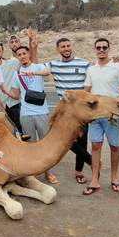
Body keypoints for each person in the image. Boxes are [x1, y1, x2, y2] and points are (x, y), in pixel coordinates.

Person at [0, 46, 58, 184]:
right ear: (17, 57)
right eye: (19, 54)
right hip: (25, 113)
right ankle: (34, 172)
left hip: (41, 111)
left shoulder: (38, 67)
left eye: (24, 53)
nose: (22, 56)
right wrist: (4, 91)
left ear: (29, 54)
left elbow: (47, 72)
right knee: (30, 145)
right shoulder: (17, 74)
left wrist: (34, 73)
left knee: (45, 143)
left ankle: (49, 172)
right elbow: (16, 95)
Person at [83, 38, 119, 195]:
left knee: (114, 146)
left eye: (104, 47)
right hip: (96, 115)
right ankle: (94, 180)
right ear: (95, 50)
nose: (101, 50)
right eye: (98, 48)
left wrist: (116, 109)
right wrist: (88, 111)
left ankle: (114, 178)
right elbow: (86, 92)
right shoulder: (91, 69)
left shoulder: (118, 67)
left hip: (113, 115)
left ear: (109, 49)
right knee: (95, 146)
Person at [45, 38, 92, 184]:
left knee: (82, 141)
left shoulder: (84, 63)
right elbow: (36, 67)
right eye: (63, 47)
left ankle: (78, 171)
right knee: (65, 140)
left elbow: (95, 76)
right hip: (64, 110)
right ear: (58, 49)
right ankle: (92, 161)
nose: (66, 48)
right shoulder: (54, 65)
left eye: (68, 45)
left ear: (71, 47)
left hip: (81, 110)